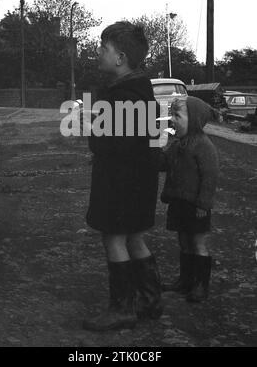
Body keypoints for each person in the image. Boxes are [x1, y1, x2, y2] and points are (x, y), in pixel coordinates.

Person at [82, 21, 162, 331]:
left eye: (104, 48)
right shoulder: (143, 91)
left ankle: (122, 308)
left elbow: (101, 142)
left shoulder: (117, 97)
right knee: (136, 237)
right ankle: (151, 300)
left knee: (114, 239)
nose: (99, 53)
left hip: (118, 182)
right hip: (141, 181)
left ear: (120, 58)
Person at [158, 96, 219, 303]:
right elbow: (163, 163)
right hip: (179, 202)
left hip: (196, 205)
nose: (172, 120)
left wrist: (204, 203)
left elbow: (209, 177)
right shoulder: (177, 144)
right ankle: (185, 281)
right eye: (172, 115)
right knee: (183, 241)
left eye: (177, 116)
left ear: (193, 119)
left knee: (197, 242)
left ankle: (200, 286)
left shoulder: (204, 145)